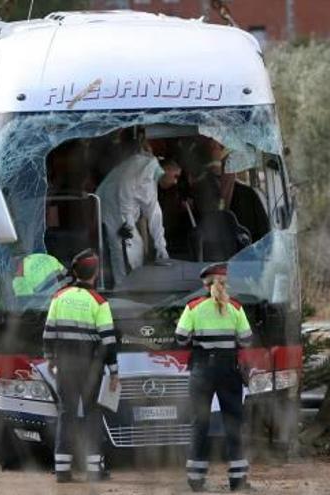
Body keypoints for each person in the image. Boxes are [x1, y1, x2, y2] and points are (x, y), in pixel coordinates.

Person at [43, 249, 119, 483]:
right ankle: (95, 469)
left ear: (75, 272)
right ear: (95, 273)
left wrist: (51, 359)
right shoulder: (99, 302)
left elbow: (49, 333)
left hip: (65, 365)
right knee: (92, 414)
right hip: (90, 367)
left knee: (66, 413)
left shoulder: (58, 297)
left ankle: (62, 470)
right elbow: (108, 340)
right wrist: (114, 372)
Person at [175, 263, 253, 492]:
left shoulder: (193, 307)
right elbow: (246, 339)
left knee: (199, 423)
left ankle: (196, 480)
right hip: (229, 371)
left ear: (204, 282)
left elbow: (180, 338)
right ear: (224, 282)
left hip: (202, 371)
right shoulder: (236, 308)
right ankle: (237, 481)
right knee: (233, 423)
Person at [95, 129, 170, 287]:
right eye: (175, 176)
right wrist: (127, 224)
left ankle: (128, 286)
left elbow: (152, 211)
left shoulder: (145, 167)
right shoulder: (147, 171)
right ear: (167, 169)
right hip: (113, 207)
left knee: (128, 248)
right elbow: (128, 193)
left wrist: (160, 246)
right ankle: (126, 288)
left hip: (113, 204)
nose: (175, 182)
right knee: (126, 249)